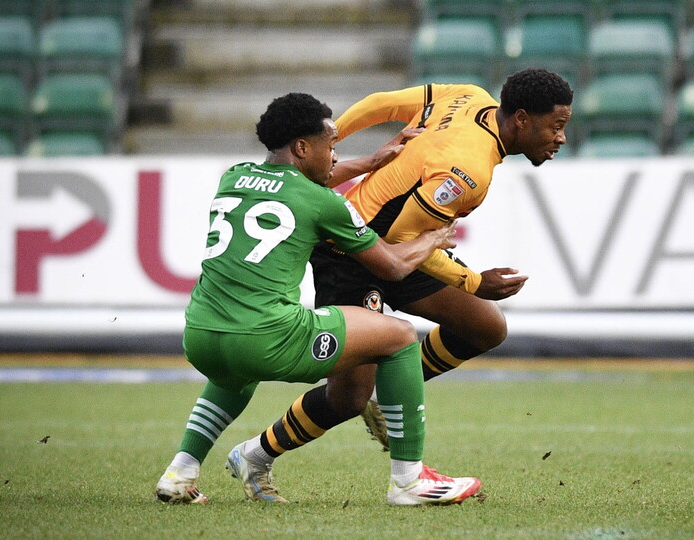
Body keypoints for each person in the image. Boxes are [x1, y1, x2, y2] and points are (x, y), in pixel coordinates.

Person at [154, 92, 482, 506]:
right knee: (399, 336)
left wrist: (371, 162)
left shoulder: (233, 176)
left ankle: (181, 470)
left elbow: (298, 181)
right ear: (303, 147)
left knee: (232, 373)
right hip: (266, 340)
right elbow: (394, 267)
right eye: (331, 145)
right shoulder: (326, 204)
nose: (335, 155)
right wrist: (433, 237)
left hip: (201, 336)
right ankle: (409, 481)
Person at [232, 68, 571, 464]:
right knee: (347, 398)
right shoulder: (469, 170)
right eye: (557, 126)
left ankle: (384, 392)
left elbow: (380, 104)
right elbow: (399, 242)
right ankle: (254, 455)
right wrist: (473, 281)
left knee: (485, 326)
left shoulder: (468, 94)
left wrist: (332, 136)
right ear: (522, 119)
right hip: (352, 252)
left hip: (398, 250)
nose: (561, 137)